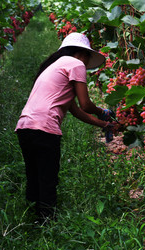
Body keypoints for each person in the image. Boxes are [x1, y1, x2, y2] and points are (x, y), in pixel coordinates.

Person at [15, 32, 114, 222]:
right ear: (82, 53)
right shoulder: (76, 64)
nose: (86, 63)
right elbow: (85, 105)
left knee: (34, 176)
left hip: (24, 126)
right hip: (45, 128)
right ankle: (46, 226)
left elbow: (76, 110)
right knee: (48, 179)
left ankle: (30, 223)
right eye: (87, 58)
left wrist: (104, 124)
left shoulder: (54, 67)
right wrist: (102, 111)